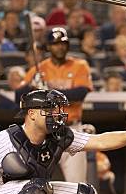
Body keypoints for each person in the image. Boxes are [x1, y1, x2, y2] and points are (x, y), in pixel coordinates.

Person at [19, 27, 93, 183]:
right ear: (48, 47)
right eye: (55, 44)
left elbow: (80, 94)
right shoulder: (40, 69)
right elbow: (18, 96)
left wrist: (47, 91)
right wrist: (32, 86)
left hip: (70, 129)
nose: (60, 47)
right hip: (44, 133)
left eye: (63, 43)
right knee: (34, 182)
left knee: (77, 183)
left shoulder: (79, 65)